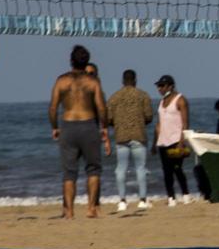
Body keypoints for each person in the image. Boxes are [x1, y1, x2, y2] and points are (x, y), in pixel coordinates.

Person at [48, 45, 112, 219]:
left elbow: (53, 107)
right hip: (88, 125)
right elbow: (101, 108)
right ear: (86, 62)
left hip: (68, 125)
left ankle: (69, 211)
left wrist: (54, 127)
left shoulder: (61, 81)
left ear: (71, 61)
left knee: (69, 172)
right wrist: (104, 127)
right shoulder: (93, 82)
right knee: (93, 170)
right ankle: (91, 208)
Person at [106, 69, 154, 212]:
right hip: (139, 135)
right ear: (135, 80)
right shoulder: (143, 95)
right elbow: (149, 116)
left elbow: (108, 119)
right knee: (140, 168)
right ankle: (142, 200)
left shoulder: (114, 97)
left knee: (120, 169)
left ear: (122, 81)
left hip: (121, 136)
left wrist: (118, 124)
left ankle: (122, 201)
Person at [153, 75, 192, 206]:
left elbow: (185, 123)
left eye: (162, 86)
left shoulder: (180, 100)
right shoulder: (161, 102)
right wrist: (154, 143)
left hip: (175, 140)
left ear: (170, 86)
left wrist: (182, 141)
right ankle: (171, 197)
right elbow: (159, 124)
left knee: (177, 168)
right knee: (166, 171)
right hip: (163, 141)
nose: (160, 89)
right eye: (158, 86)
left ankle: (185, 194)